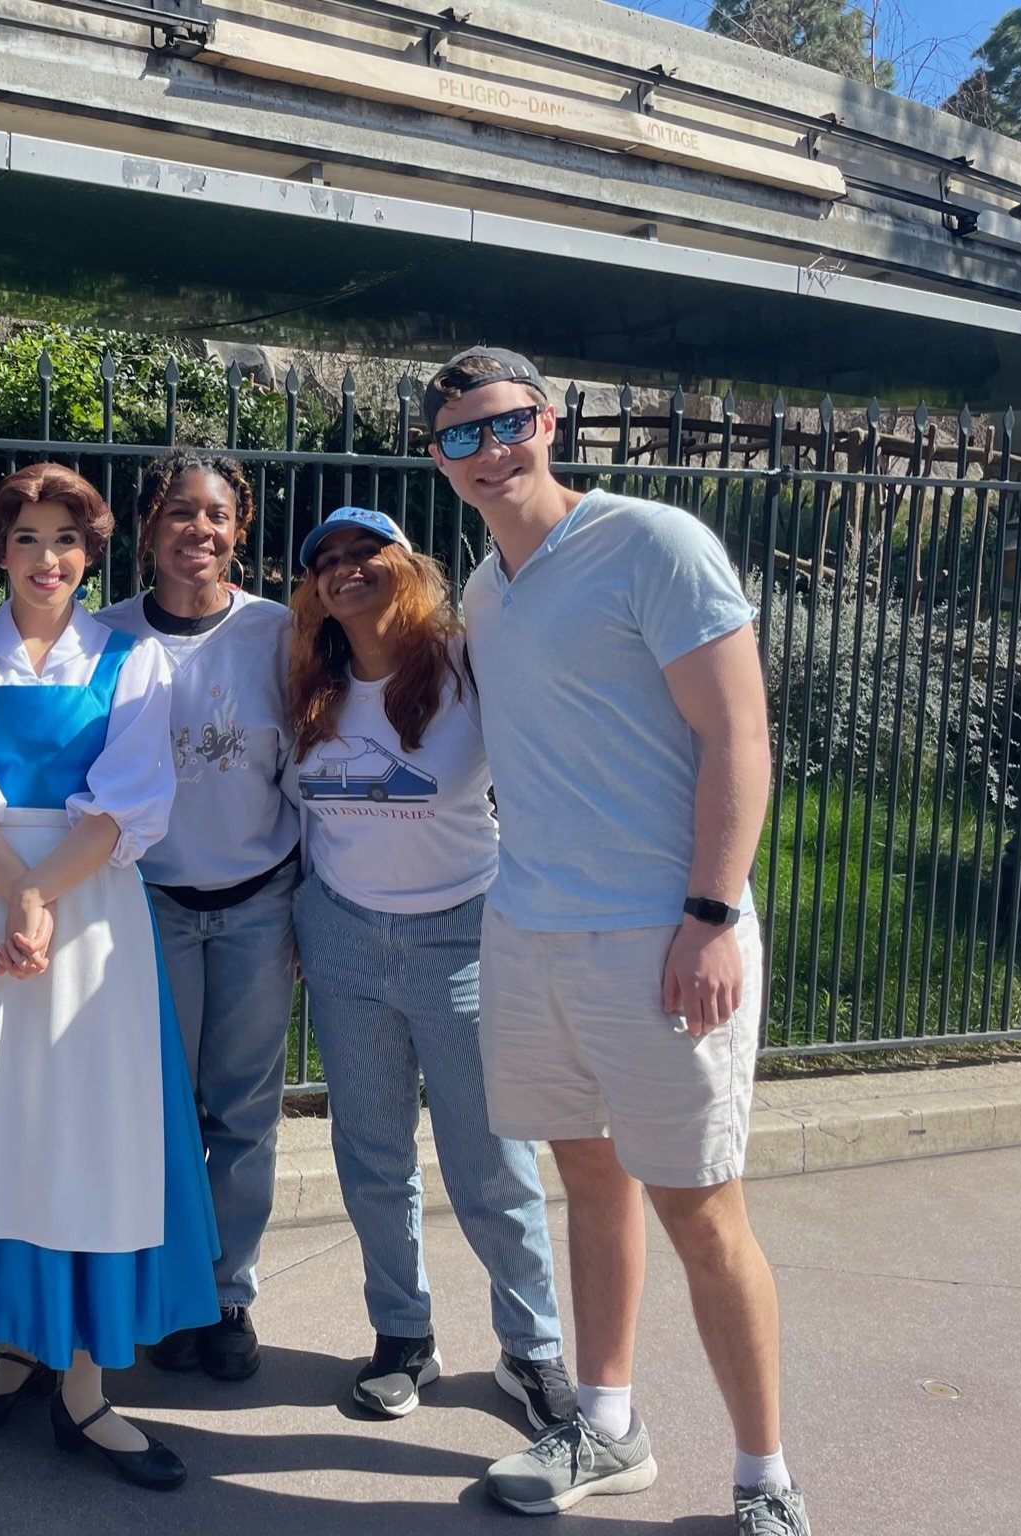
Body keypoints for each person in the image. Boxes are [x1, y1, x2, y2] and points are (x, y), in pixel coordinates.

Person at [425, 348, 802, 1533]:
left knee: (700, 1207)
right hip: (529, 930)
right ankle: (608, 1425)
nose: (489, 454)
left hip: (660, 937)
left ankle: (764, 1481)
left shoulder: (656, 544)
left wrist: (709, 915)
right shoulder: (487, 590)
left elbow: (740, 737)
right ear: (439, 460)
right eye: (459, 439)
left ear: (553, 420)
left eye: (507, 425)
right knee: (587, 1178)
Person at [0, 462, 217, 1492]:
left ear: (92, 553)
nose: (47, 558)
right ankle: (21, 1344)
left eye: (67, 540)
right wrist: (16, 895)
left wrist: (37, 898)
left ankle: (87, 1388)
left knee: (87, 1132)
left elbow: (126, 804)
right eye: (27, 538)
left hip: (87, 913)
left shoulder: (135, 662)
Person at [284, 505, 572, 1433]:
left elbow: (544, 765)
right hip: (342, 939)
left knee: (489, 1158)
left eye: (364, 550)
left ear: (405, 564)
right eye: (325, 560)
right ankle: (402, 1337)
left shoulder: (462, 660)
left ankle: (532, 1352)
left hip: (462, 938)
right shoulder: (309, 680)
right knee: (371, 1153)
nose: (343, 568)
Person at [99, 449, 298, 1382]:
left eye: (216, 515)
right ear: (146, 526)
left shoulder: (280, 635)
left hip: (257, 902)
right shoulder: (102, 639)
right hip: (147, 907)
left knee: (243, 1109)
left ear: (240, 528)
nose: (199, 531)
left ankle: (226, 1294)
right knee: (153, 1109)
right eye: (179, 512)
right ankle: (161, 1286)